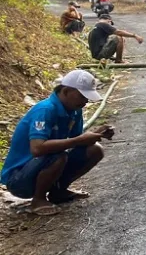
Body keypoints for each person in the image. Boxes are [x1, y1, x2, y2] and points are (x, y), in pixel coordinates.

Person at [0, 70, 112, 216]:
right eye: (82, 96)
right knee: (59, 156)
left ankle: (58, 191)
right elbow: (37, 149)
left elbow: (76, 143)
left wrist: (97, 133)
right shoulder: (45, 110)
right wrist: (79, 140)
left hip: (44, 164)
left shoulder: (74, 111)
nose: (86, 102)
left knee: (94, 150)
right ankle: (38, 200)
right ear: (65, 91)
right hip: (19, 179)